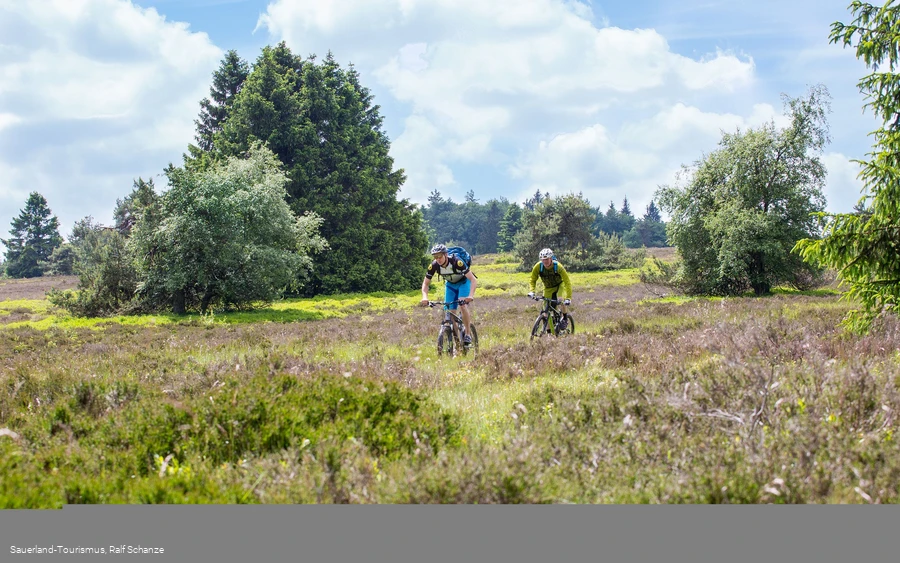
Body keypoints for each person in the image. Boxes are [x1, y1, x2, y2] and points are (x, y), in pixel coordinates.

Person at [420, 243, 478, 345]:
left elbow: (473, 279)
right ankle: (457, 344)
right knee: (450, 312)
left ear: (446, 255)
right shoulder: (434, 265)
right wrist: (425, 297)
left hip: (463, 283)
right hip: (450, 285)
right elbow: (426, 283)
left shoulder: (457, 262)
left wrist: (470, 295)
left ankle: (468, 334)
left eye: (440, 256)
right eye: (435, 257)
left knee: (462, 305)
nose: (438, 259)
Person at [528, 248, 572, 329]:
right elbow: (532, 279)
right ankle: (549, 333)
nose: (545, 261)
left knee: (560, 299)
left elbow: (567, 282)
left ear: (551, 258)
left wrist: (568, 298)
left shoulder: (558, 266)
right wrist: (532, 291)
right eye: (543, 260)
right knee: (545, 311)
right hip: (548, 288)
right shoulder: (538, 267)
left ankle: (565, 318)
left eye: (547, 259)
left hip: (560, 285)